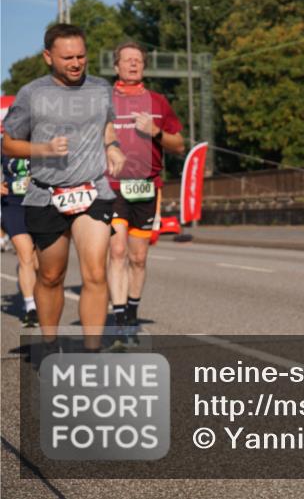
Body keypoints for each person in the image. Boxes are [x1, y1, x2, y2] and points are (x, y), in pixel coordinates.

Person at [1, 23, 126, 352]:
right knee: (51, 275)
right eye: (67, 57)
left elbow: (107, 127)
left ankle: (92, 351)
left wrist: (112, 147)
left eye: (81, 56)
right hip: (46, 195)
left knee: (96, 272)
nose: (76, 63)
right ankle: (49, 343)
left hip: (92, 190)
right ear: (48, 57)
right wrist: (41, 150)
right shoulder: (32, 94)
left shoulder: (101, 89)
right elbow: (9, 145)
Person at [106, 42, 185, 338]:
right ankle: (118, 317)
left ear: (144, 66)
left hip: (146, 187)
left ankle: (132, 311)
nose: (132, 64)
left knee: (138, 257)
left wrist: (156, 132)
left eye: (137, 60)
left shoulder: (157, 101)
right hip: (111, 186)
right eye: (127, 60)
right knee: (116, 250)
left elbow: (179, 144)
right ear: (116, 67)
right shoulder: (104, 100)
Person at [1, 154, 38, 326]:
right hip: (12, 203)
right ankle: (31, 307)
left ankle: (27, 278)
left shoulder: (41, 134)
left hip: (40, 203)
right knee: (26, 254)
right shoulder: (4, 140)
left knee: (38, 262)